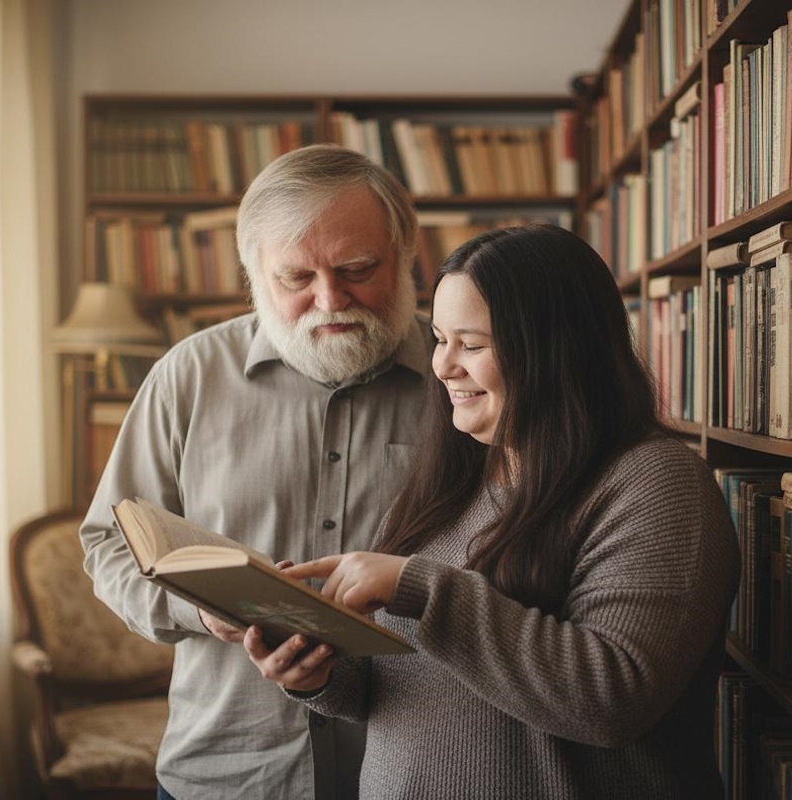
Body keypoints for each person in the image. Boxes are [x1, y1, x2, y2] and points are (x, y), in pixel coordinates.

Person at [243, 224, 742, 799]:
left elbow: (612, 700)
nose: (443, 367)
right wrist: (319, 674)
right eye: (439, 339)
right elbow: (395, 685)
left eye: (471, 344)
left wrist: (422, 589)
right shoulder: (451, 479)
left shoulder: (657, 482)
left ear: (557, 351)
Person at [80, 144, 433, 799]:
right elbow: (108, 542)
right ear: (253, 272)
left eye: (358, 268)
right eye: (295, 278)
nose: (330, 300)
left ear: (407, 249)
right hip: (230, 769)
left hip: (414, 765)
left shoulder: (461, 375)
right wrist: (194, 608)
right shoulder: (188, 377)